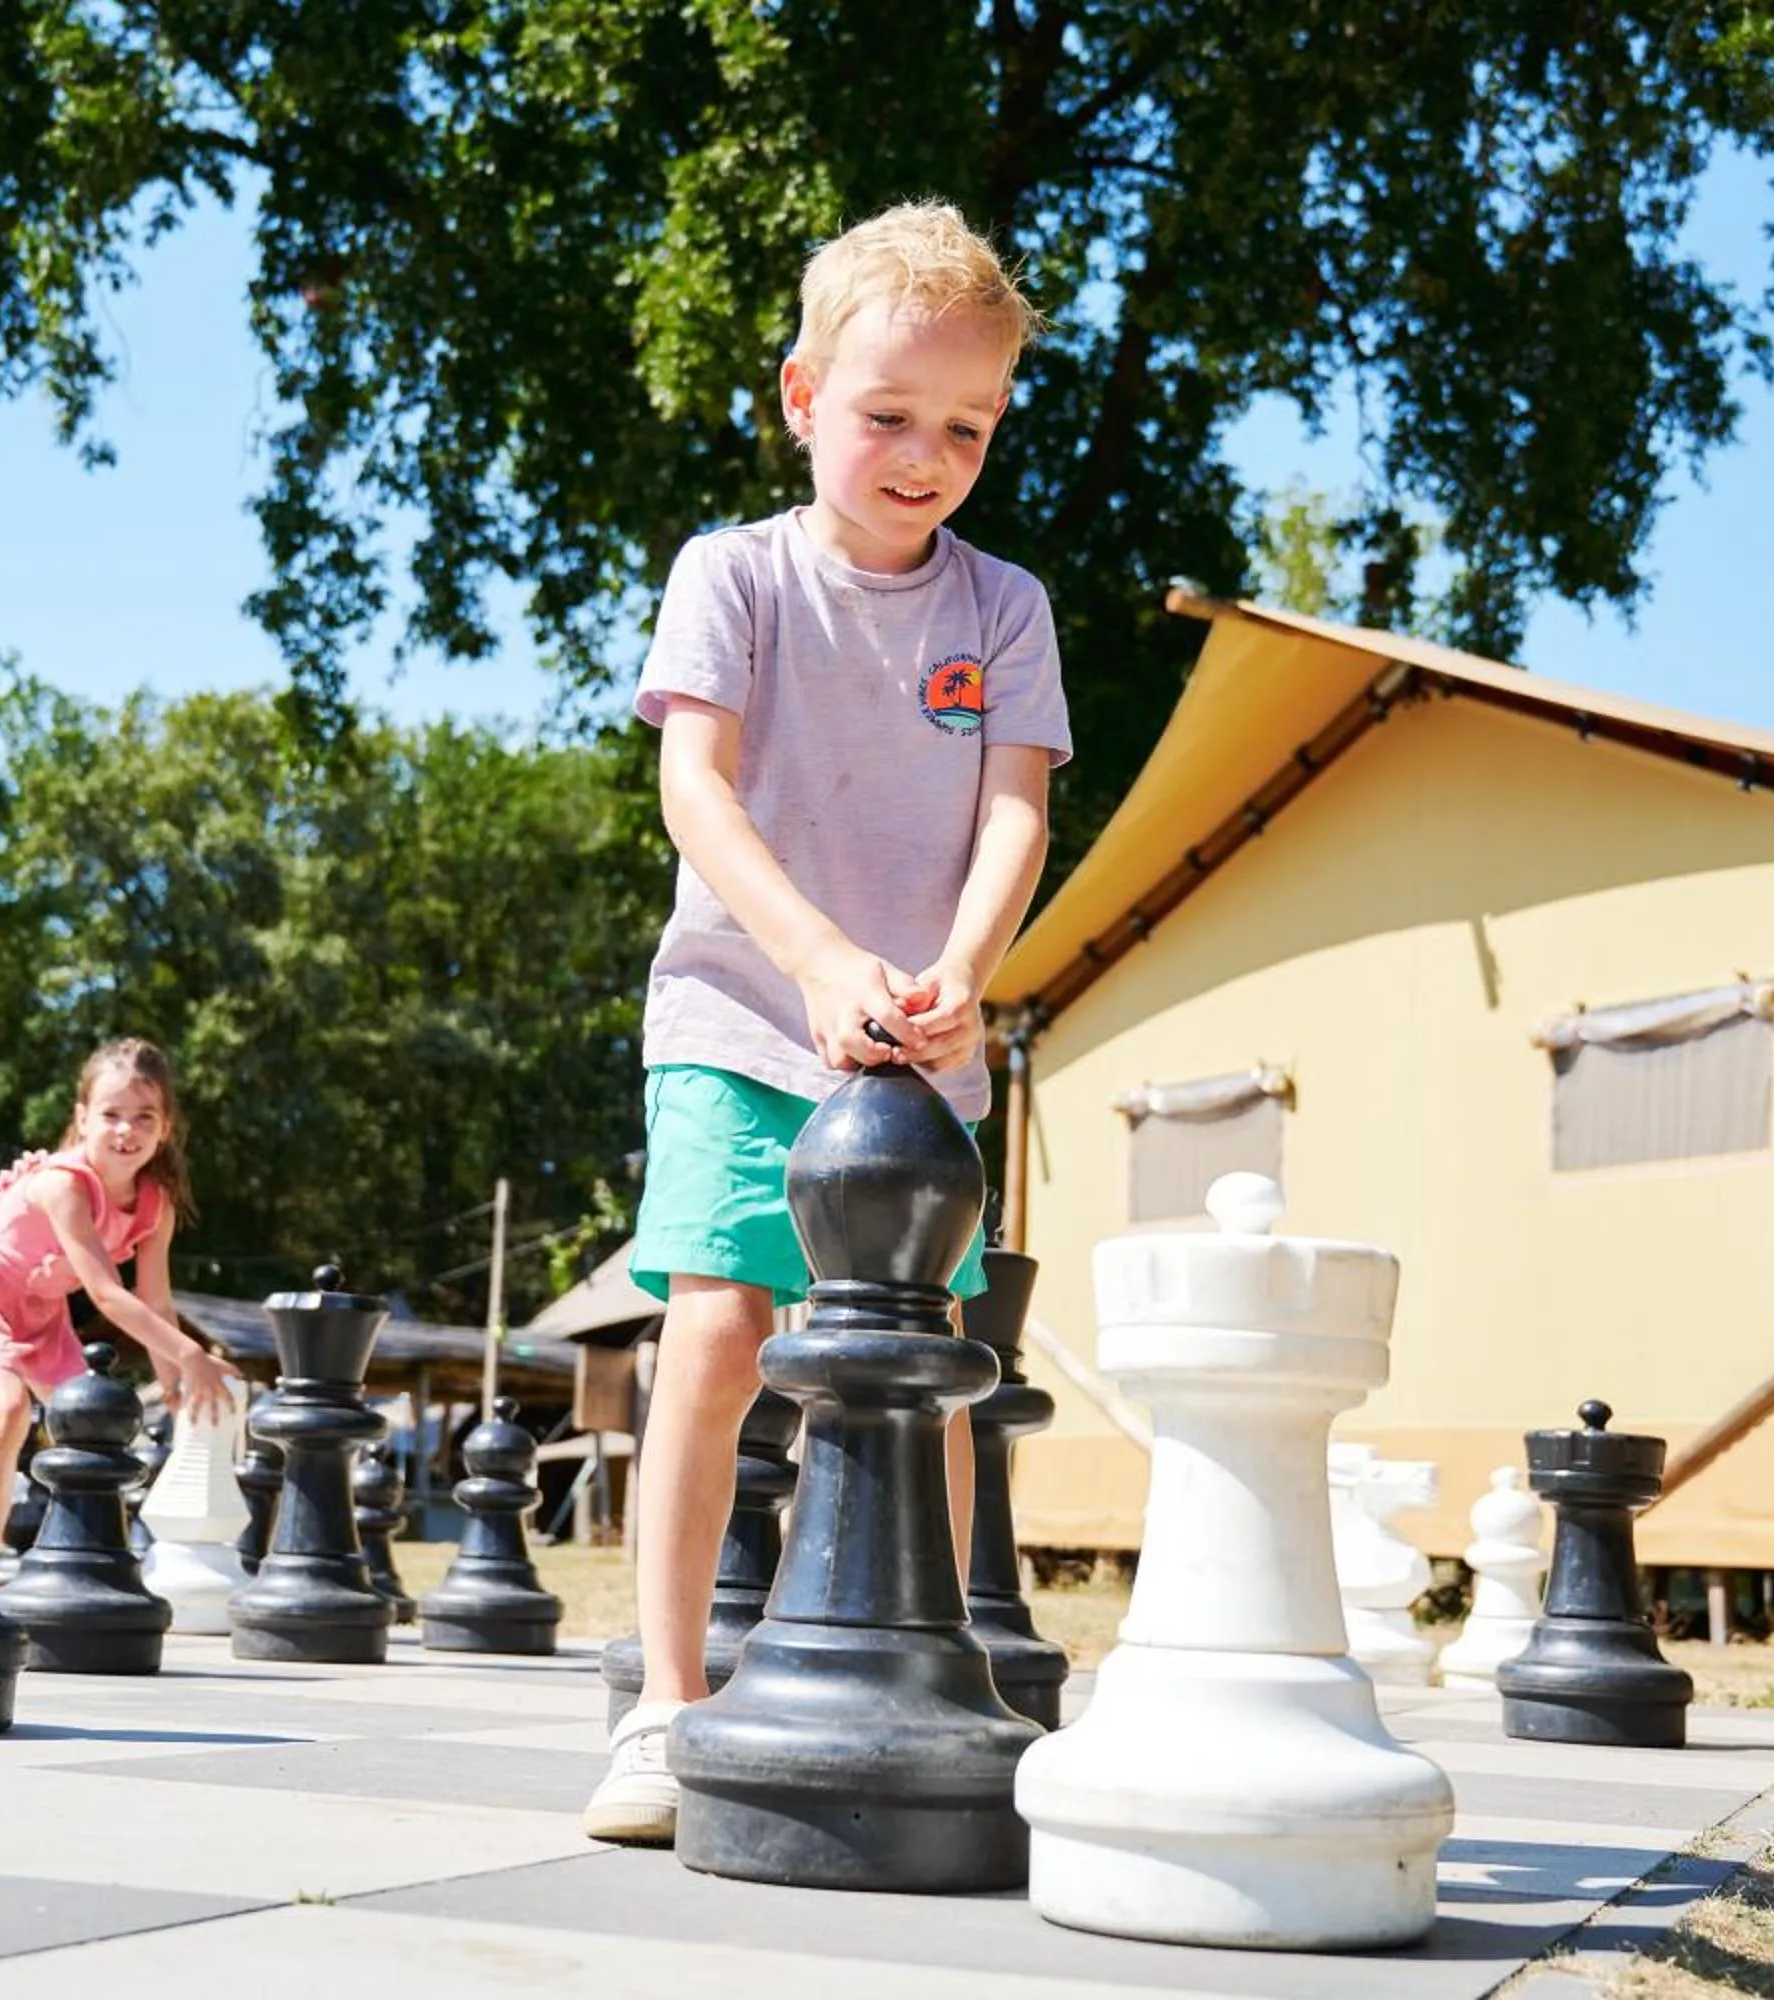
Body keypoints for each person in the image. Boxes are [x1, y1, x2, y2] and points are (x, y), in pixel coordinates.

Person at [582, 200, 1071, 1845]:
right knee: (718, 1332)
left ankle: (914, 1669)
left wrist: (961, 969)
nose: (924, 456)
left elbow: (1017, 814)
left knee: (914, 1368)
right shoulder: (733, 576)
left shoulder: (1003, 609)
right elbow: (693, 787)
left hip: (925, 1041)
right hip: (742, 1013)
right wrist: (808, 959)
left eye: (966, 428)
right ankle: (668, 1698)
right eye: (887, 418)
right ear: (802, 400)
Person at [0, 1037, 242, 1570]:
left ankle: (89, 1569)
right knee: (9, 1407)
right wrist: (192, 1356)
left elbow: (155, 1299)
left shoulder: (156, 1206)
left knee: (90, 1423)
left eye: (144, 1117)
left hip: (41, 1314)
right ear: (83, 1118)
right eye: (112, 1115)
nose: (127, 1130)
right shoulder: (65, 1185)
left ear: (166, 1128)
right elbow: (108, 1295)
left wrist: (175, 1384)